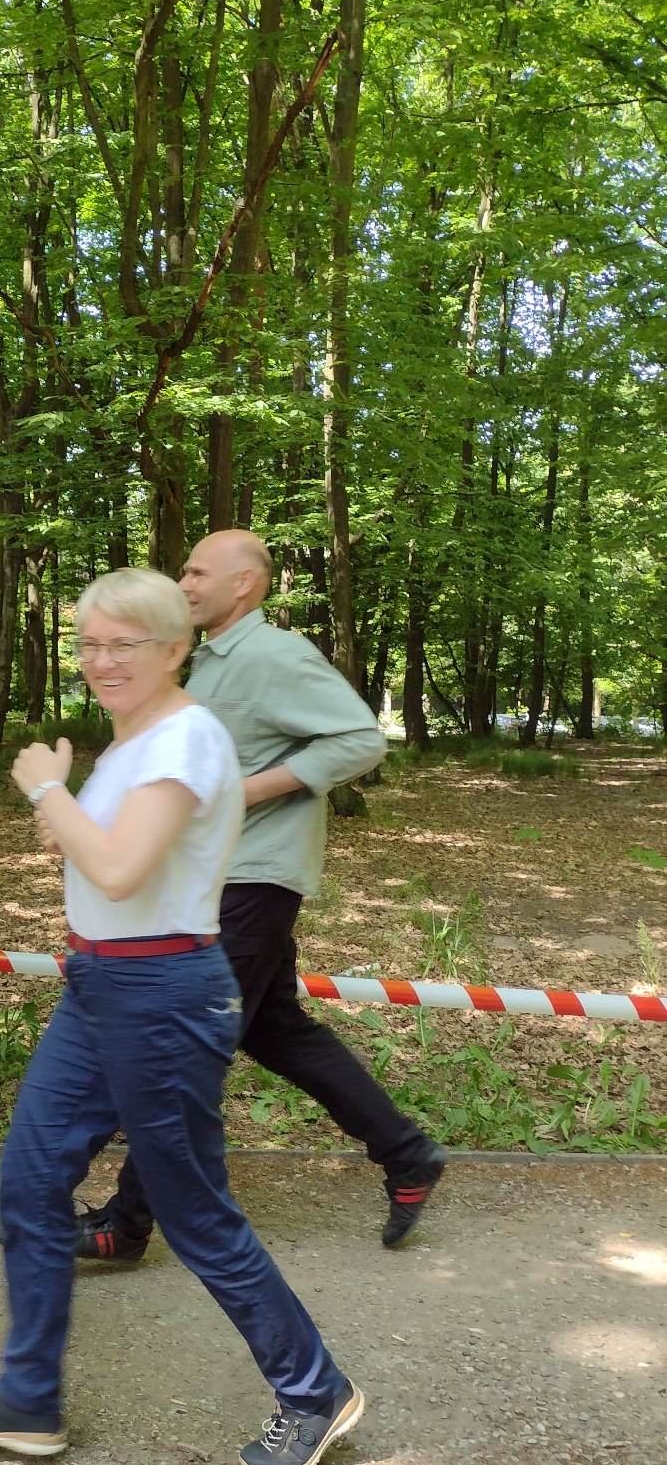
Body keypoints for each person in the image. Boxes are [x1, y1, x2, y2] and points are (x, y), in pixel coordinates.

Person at [0, 567, 364, 1465]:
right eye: (89, 644)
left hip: (162, 994)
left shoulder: (187, 737)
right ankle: (28, 1399)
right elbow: (112, 856)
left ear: (176, 648)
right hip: (100, 985)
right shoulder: (135, 740)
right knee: (31, 1182)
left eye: (125, 644)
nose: (102, 661)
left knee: (193, 1211)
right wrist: (68, 816)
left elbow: (120, 870)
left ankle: (314, 1391)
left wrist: (47, 790)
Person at [77, 530, 445, 1259]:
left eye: (197, 572)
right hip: (217, 876)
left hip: (253, 878)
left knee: (185, 1047)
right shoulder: (207, 659)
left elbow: (359, 739)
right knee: (276, 1030)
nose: (183, 583)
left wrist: (239, 792)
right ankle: (408, 1154)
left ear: (245, 583)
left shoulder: (275, 655)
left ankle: (127, 1222)